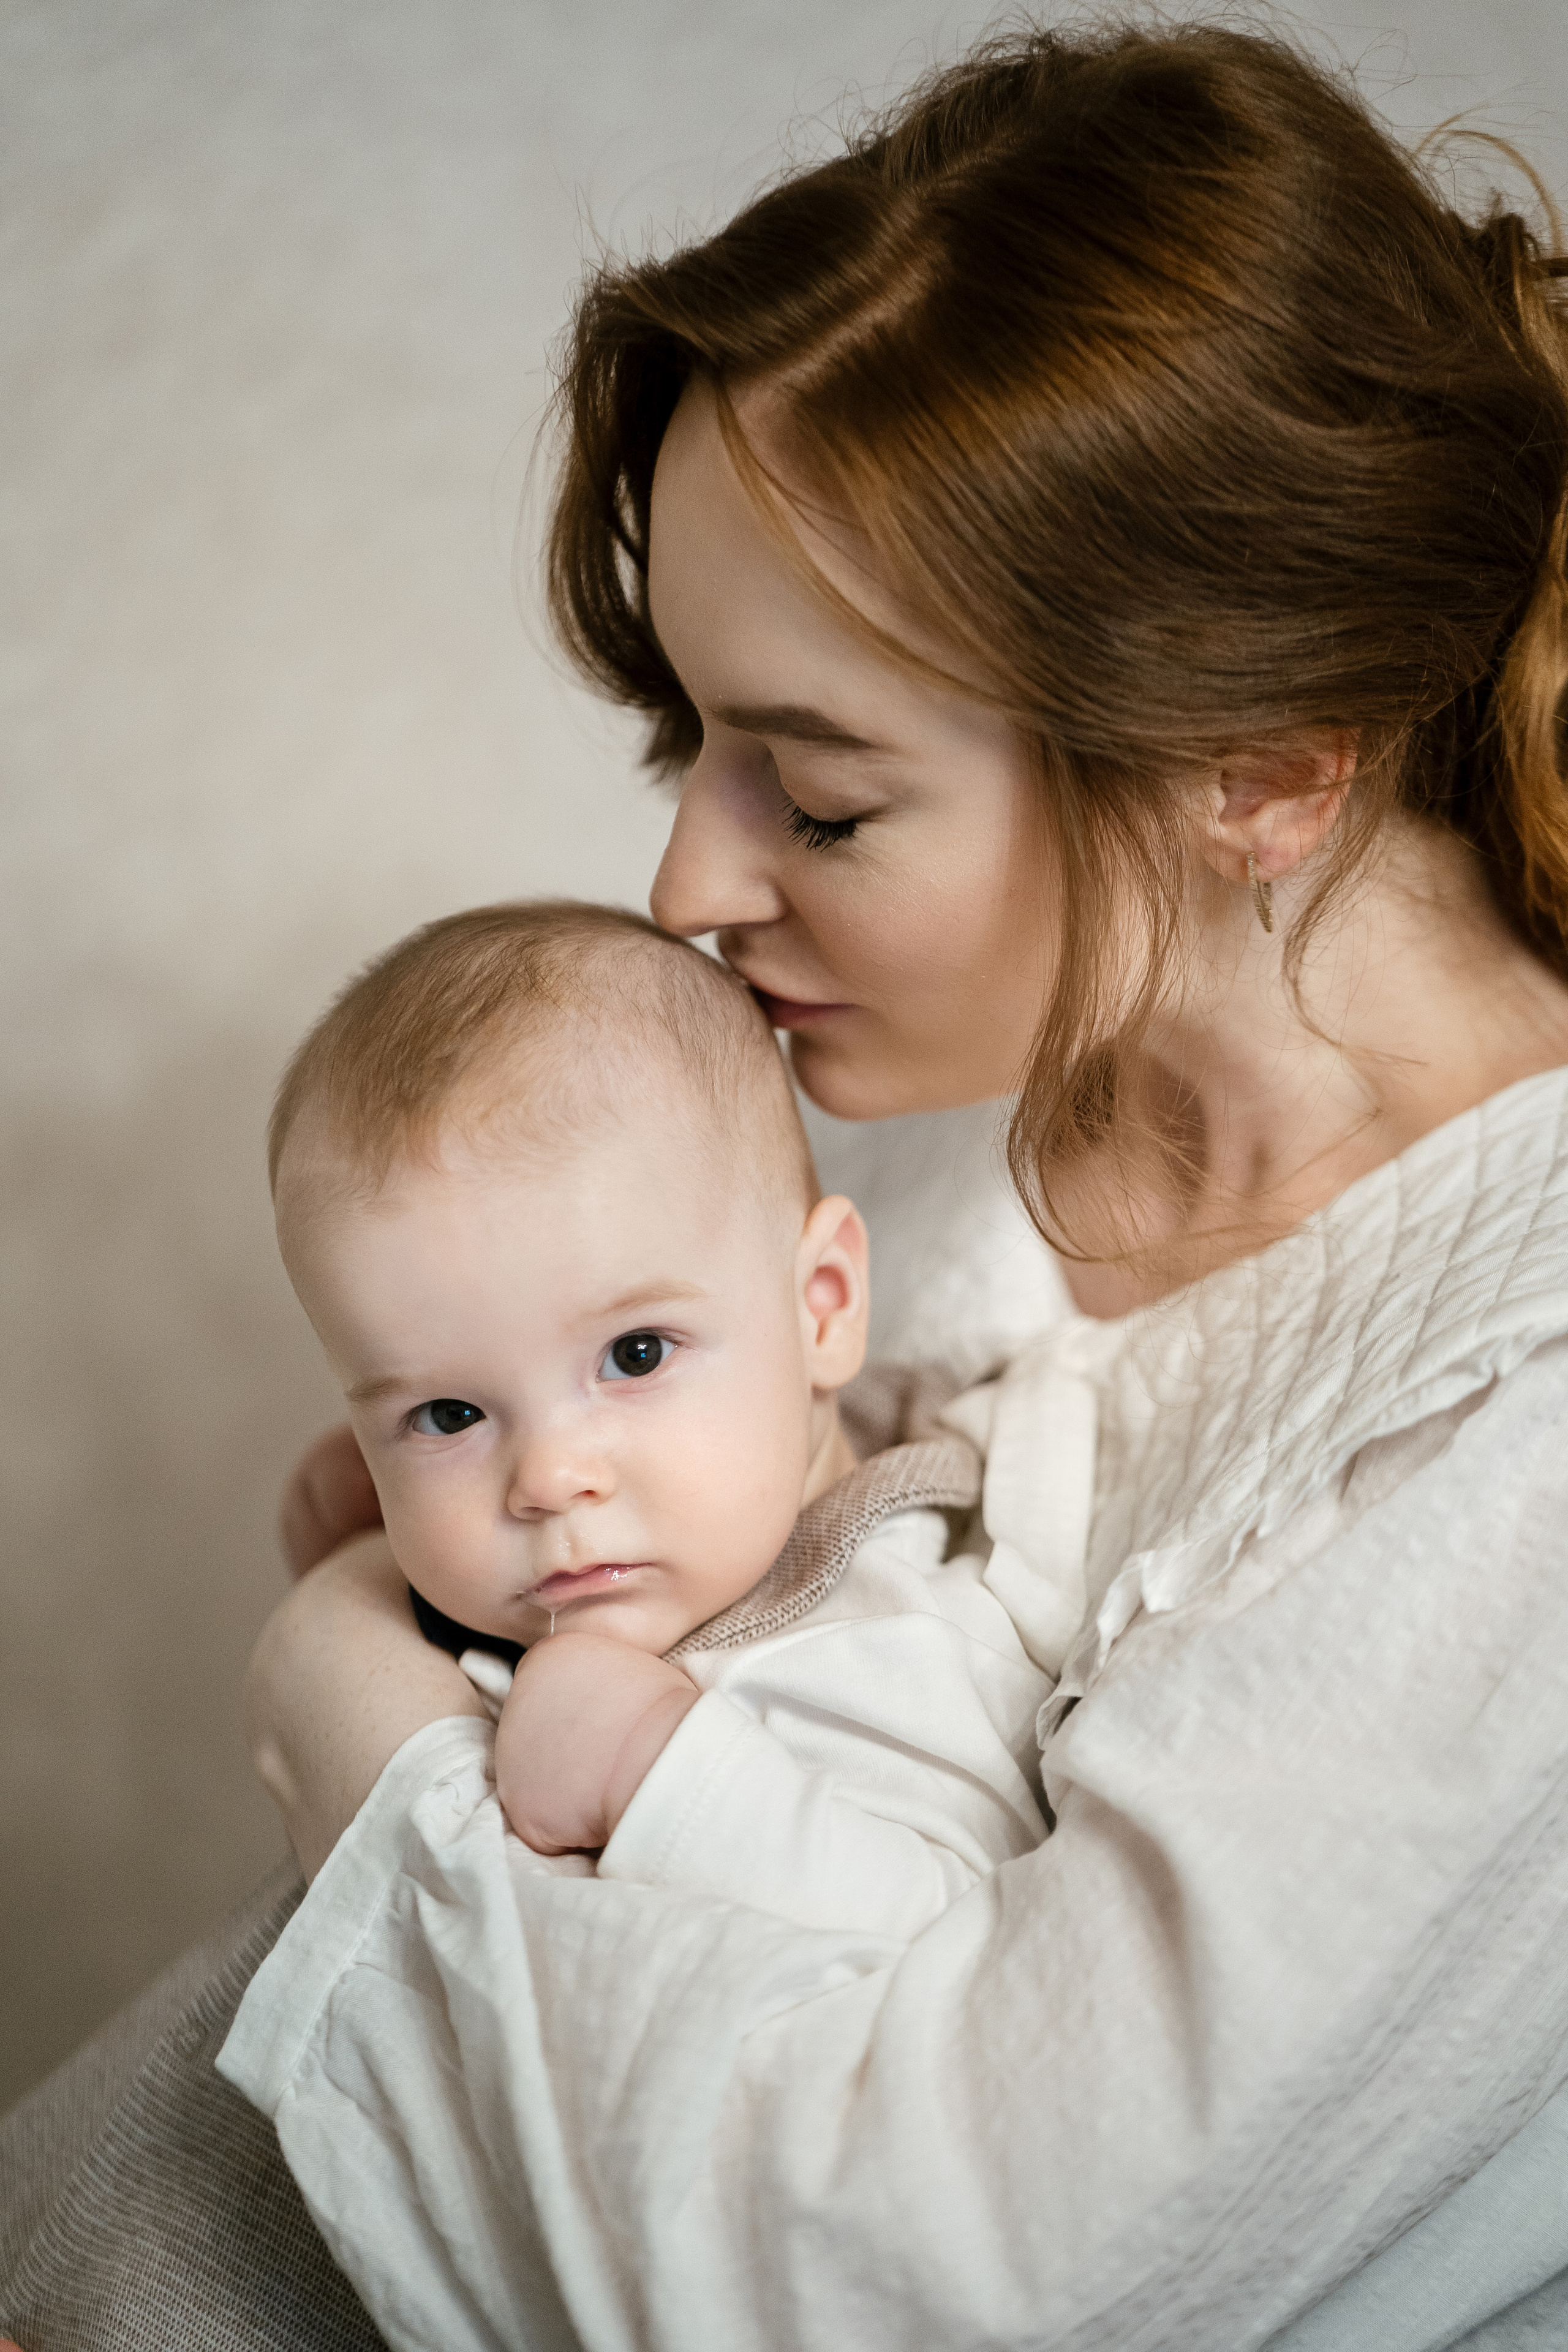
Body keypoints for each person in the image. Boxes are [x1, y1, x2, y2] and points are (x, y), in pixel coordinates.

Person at [14, 15, 1568, 2350]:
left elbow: (891, 2284)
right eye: (692, 744)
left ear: (1260, 769)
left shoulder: (1514, 1439)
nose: (683, 889)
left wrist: (356, 1716)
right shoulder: (935, 1121)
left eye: (821, 798)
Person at [260, 894, 1060, 1921]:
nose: (550, 1480)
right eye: (450, 1415)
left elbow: (947, 1933)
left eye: (634, 1356)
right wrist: (373, 1560)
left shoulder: (896, 1620)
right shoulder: (629, 1553)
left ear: (823, 1307)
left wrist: (653, 1770)